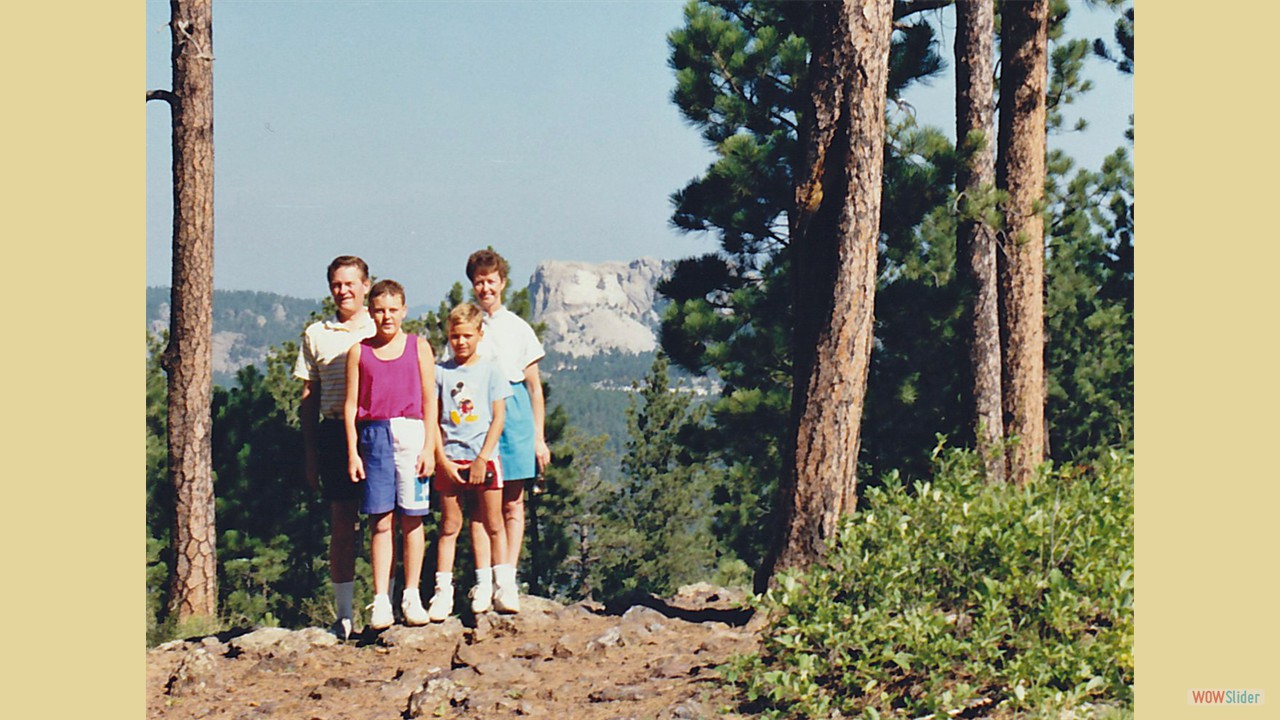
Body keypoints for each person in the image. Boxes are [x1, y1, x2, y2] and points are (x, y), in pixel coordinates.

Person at [343, 280, 438, 630]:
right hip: (374, 436)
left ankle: (411, 595)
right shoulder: (360, 351)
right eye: (380, 310)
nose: (386, 317)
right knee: (380, 520)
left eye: (392, 310)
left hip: (412, 433)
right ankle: (381, 598)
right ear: (371, 312)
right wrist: (353, 451)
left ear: (404, 311)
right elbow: (351, 405)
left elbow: (430, 400)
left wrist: (429, 446)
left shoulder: (418, 347)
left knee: (413, 518)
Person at [464, 249, 550, 613]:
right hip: (479, 414)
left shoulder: (517, 327)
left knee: (513, 501)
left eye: (491, 280)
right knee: (482, 504)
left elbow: (534, 387)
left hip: (513, 413)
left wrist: (538, 437)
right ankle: (484, 579)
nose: (485, 287)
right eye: (479, 281)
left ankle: (508, 579)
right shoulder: (468, 324)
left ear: (502, 282)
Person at [295, 255, 375, 640]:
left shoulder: (382, 325)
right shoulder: (317, 333)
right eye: (337, 285)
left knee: (383, 521)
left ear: (366, 286)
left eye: (350, 283)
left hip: (375, 431)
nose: (344, 291)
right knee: (343, 523)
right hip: (332, 434)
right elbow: (309, 394)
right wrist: (310, 451)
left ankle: (384, 605)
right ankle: (344, 615)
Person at [426, 303, 518, 621]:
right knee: (450, 525)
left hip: (484, 457)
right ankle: (443, 593)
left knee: (492, 522)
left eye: (467, 335)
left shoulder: (492, 369)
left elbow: (498, 417)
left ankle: (501, 585)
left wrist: (482, 458)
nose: (461, 342)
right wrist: (441, 459)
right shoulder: (441, 372)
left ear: (480, 334)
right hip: (451, 459)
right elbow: (433, 418)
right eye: (455, 336)